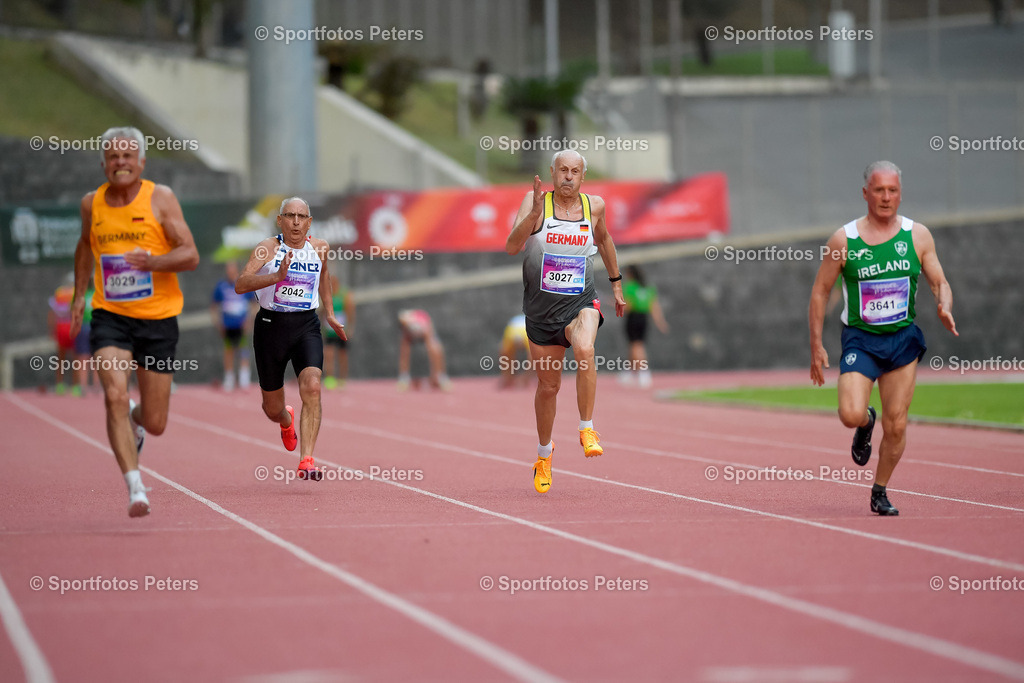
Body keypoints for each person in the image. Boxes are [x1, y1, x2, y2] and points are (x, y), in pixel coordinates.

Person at [809, 161, 958, 516]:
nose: (886, 197)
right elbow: (820, 292)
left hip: (902, 340)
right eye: (879, 190)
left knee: (899, 423)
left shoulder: (917, 236)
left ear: (900, 194)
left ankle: (880, 491)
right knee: (849, 413)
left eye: (892, 190)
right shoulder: (844, 239)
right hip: (861, 339)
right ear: (866, 194)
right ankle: (865, 423)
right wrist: (816, 344)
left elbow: (939, 280)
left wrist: (944, 304)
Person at [70, 126, 200, 518]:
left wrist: (153, 262)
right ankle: (135, 487)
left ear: (141, 162)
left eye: (128, 156)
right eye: (113, 157)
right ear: (104, 163)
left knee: (156, 421)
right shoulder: (92, 203)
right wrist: (80, 294)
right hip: (110, 315)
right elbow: (84, 245)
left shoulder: (160, 198)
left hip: (158, 320)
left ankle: (135, 420)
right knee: (112, 393)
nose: (120, 163)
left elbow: (191, 255)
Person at [506, 149, 626, 494]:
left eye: (575, 171)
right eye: (563, 171)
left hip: (580, 301)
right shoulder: (534, 202)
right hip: (541, 313)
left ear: (582, 177)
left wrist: (616, 285)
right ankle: (544, 455)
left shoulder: (595, 207)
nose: (568, 177)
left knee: (585, 348)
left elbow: (603, 239)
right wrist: (532, 217)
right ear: (552, 173)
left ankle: (587, 427)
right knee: (549, 388)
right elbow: (512, 247)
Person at [235, 197, 346, 481]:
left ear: (309, 222)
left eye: (301, 217)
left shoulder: (319, 247)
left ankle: (307, 459)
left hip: (306, 326)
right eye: (290, 216)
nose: (296, 222)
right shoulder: (267, 248)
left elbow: (323, 279)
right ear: (279, 220)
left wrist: (330, 314)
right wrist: (275, 276)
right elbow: (241, 284)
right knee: (271, 408)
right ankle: (285, 419)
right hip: (271, 327)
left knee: (312, 387)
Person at [621, 264, 669, 388]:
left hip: (633, 317)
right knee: (635, 345)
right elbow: (654, 306)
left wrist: (618, 305)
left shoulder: (630, 287)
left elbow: (628, 306)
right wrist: (660, 322)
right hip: (644, 318)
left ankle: (643, 372)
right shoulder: (648, 287)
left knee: (636, 346)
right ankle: (630, 372)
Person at [210, 261, 252, 391]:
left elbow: (254, 304)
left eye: (232, 270)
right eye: (228, 270)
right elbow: (214, 305)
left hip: (241, 324)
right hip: (227, 324)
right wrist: (218, 323)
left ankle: (244, 378)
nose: (230, 273)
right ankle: (229, 378)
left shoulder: (243, 284)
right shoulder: (221, 286)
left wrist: (249, 320)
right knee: (228, 351)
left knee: (243, 349)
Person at [396, 309, 450, 391]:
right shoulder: (406, 329)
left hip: (424, 327)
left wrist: (435, 375)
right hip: (414, 325)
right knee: (404, 349)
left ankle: (440, 376)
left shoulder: (426, 327)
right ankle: (404, 377)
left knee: (436, 348)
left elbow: (434, 349)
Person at [322, 274, 355, 390]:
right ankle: (330, 378)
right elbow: (322, 311)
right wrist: (322, 327)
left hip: (341, 329)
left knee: (342, 355)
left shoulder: (344, 295)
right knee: (329, 355)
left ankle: (342, 378)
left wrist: (350, 328)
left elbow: (350, 312)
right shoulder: (327, 295)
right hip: (330, 330)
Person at [47, 278, 75, 395]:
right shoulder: (75, 292)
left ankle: (60, 384)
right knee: (75, 359)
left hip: (61, 326)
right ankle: (75, 386)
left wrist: (51, 330)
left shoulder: (59, 293)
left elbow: (52, 314)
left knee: (61, 358)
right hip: (71, 326)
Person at [498, 313, 532, 389]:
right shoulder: (509, 338)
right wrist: (507, 376)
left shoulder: (529, 338)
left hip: (527, 327)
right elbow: (503, 355)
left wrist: (525, 378)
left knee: (536, 358)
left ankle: (527, 378)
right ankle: (508, 378)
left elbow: (533, 359)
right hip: (513, 327)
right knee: (505, 354)